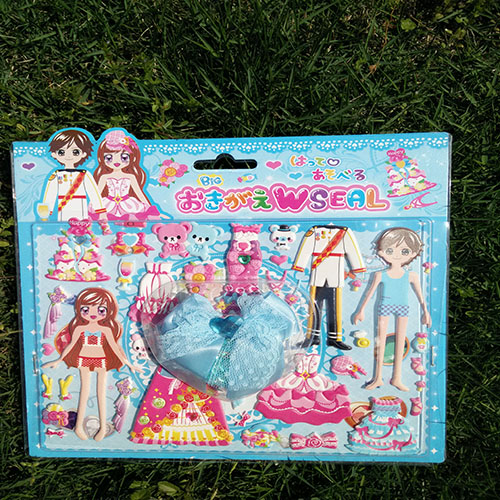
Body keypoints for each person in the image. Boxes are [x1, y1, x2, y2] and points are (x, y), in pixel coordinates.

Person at [42, 288, 142, 441]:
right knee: (85, 392)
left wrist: (129, 364)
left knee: (101, 393)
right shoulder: (80, 328)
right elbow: (70, 345)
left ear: (108, 311)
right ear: (79, 309)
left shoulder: (106, 329)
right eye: (86, 309)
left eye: (100, 310)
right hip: (84, 358)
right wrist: (59, 360)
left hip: (101, 360)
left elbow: (115, 347)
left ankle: (102, 427)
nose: (93, 313)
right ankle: (78, 426)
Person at [353, 227, 431, 391]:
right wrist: (361, 310)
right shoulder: (380, 275)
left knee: (400, 341)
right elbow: (369, 293)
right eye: (390, 250)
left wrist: (426, 311)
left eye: (404, 251)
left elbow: (420, 296)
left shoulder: (411, 276)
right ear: (382, 252)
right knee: (380, 341)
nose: (396, 255)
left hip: (403, 307)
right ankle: (378, 377)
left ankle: (397, 377)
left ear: (413, 254)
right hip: (384, 307)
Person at [89, 130, 160, 220]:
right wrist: (90, 207)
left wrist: (150, 209)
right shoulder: (104, 177)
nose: (116, 161)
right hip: (108, 205)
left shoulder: (130, 176)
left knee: (133, 217)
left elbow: (139, 193)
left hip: (128, 205)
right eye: (109, 158)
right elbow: (97, 195)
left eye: (124, 157)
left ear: (132, 158)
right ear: (102, 158)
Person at [40, 129, 107, 221]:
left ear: (83, 154)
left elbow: (94, 192)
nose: (68, 156)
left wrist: (101, 211)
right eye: (61, 152)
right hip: (63, 206)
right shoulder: (56, 174)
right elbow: (50, 193)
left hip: (80, 205)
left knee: (82, 224)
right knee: (64, 225)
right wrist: (46, 212)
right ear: (54, 154)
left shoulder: (84, 174)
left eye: (75, 152)